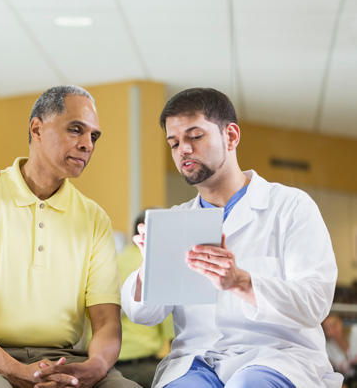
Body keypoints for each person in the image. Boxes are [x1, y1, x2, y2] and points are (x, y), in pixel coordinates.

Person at [121, 88, 342, 387]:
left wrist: (242, 282)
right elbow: (144, 316)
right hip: (197, 361)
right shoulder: (175, 221)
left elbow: (315, 302)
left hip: (277, 357)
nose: (182, 150)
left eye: (194, 136)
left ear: (231, 136)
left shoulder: (290, 206)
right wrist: (152, 268)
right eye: (174, 143)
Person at [0, 85, 139, 388]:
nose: (87, 144)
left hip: (65, 358)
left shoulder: (95, 219)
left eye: (94, 136)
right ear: (36, 129)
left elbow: (106, 321)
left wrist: (94, 368)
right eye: (76, 130)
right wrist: (15, 369)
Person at [113, 211, 174, 388]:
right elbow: (170, 321)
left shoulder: (116, 258)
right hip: (142, 362)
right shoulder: (153, 262)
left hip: (107, 361)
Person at [322, 314, 357, 387]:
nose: (333, 330)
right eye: (328, 329)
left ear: (341, 322)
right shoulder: (326, 349)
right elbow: (330, 373)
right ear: (325, 333)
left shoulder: (355, 331)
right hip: (348, 382)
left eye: (334, 325)